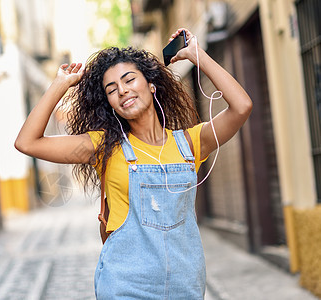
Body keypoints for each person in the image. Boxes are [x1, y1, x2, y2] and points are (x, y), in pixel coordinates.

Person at [15, 28, 252, 299]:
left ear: (151, 85)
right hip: (126, 286)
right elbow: (27, 142)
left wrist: (199, 56)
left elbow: (242, 106)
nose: (123, 90)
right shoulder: (103, 146)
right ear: (111, 104)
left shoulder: (190, 143)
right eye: (112, 90)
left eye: (129, 80)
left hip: (184, 286)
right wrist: (59, 85)